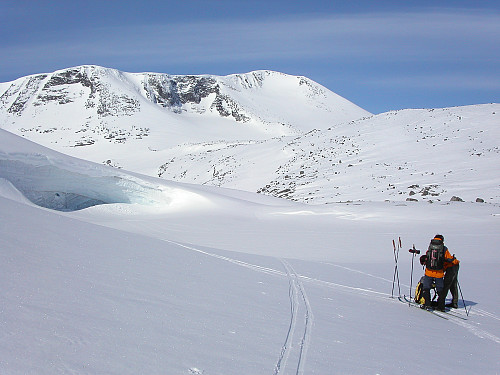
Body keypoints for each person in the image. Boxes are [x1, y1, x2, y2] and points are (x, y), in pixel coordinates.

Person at [419, 234, 455, 311]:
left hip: (429, 272)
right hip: (439, 273)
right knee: (440, 290)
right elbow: (448, 259)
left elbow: (428, 256)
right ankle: (441, 307)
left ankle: (427, 304)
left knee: (426, 287)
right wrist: (453, 259)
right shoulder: (444, 248)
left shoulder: (430, 247)